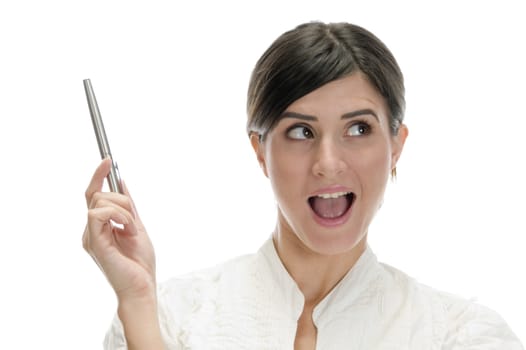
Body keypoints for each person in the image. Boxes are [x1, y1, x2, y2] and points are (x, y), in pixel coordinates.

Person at [83, 21, 523, 349]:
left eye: (358, 129)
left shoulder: (459, 335)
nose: (328, 164)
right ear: (260, 150)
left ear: (396, 145)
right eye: (300, 132)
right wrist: (139, 303)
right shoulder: (170, 319)